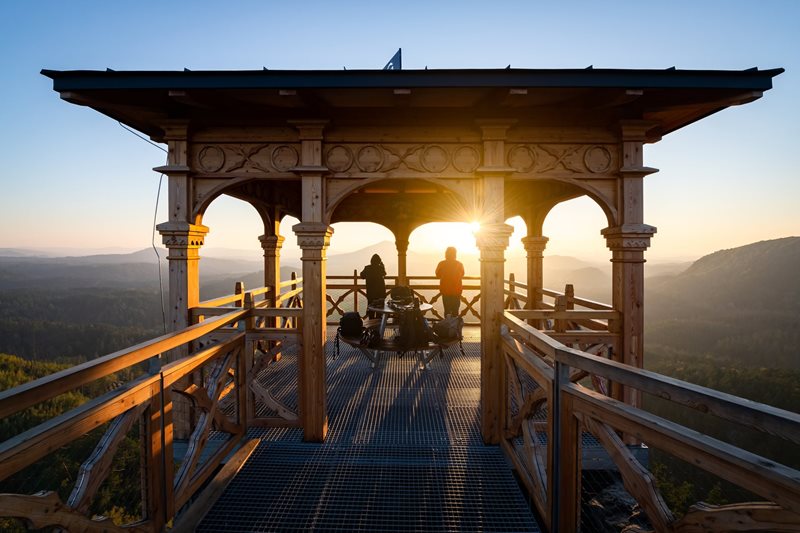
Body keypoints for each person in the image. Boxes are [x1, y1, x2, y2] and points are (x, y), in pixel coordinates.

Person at [435, 246, 464, 318]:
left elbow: (437, 275)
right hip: (456, 290)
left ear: (446, 254)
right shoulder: (459, 264)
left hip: (445, 291)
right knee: (455, 311)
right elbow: (462, 274)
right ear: (455, 254)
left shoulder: (441, 264)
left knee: (447, 311)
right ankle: (454, 327)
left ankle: (448, 327)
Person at [360, 253, 386, 318]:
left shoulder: (367, 268)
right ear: (379, 261)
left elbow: (362, 276)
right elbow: (384, 273)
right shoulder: (380, 268)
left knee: (371, 311)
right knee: (379, 311)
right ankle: (378, 326)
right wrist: (382, 265)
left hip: (371, 294)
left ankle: (371, 326)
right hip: (380, 293)